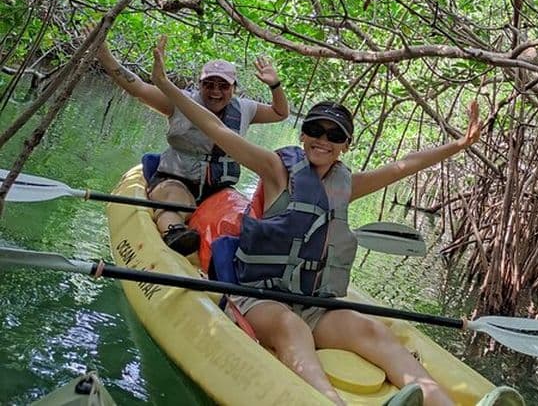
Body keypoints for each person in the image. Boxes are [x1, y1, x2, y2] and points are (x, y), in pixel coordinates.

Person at [150, 37, 480, 406]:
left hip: (311, 302)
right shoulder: (275, 170)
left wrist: (458, 145)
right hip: (259, 297)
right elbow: (217, 129)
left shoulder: (347, 185)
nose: (323, 140)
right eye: (316, 131)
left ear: (345, 145)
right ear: (303, 134)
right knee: (290, 329)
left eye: (334, 135)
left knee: (371, 330)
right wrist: (164, 85)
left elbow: (406, 163)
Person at [95, 32, 289, 255]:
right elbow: (137, 88)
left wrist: (275, 85)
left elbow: (280, 112)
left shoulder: (246, 109)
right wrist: (104, 54)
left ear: (233, 88)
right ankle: (175, 233)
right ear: (200, 84)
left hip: (217, 189)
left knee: (239, 220)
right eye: (209, 84)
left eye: (223, 86)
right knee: (175, 202)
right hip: (177, 180)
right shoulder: (178, 102)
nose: (215, 92)